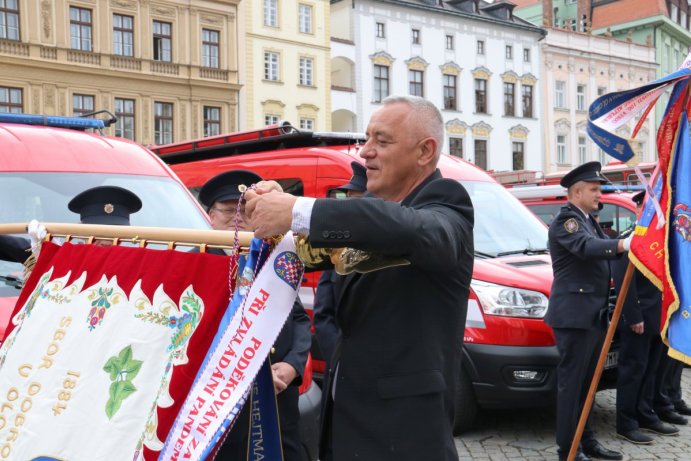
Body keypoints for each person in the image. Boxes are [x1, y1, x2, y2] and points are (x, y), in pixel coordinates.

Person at [243, 95, 475, 461]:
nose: (365, 152)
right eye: (366, 139)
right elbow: (312, 251)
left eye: (381, 141)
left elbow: (410, 230)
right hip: (350, 423)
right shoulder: (377, 221)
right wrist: (277, 210)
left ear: (424, 152)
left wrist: (299, 209)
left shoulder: (446, 204)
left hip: (403, 438)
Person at [197, 170, 311, 461]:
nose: (238, 219)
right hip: (221, 408)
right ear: (210, 216)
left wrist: (293, 365)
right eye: (227, 211)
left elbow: (297, 319)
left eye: (246, 210)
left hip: (277, 401)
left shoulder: (271, 261)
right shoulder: (197, 263)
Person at [546, 161, 629, 461]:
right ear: (577, 191)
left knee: (589, 384)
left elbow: (600, 243)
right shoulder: (567, 222)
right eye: (594, 189)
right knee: (573, 386)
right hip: (574, 316)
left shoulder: (587, 219)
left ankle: (587, 439)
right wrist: (622, 245)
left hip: (591, 313)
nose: (599, 195)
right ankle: (568, 448)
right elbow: (586, 247)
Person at [613, 191, 678, 445]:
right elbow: (623, 282)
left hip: (657, 316)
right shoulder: (632, 240)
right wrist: (633, 316)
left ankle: (645, 413)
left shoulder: (660, 240)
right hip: (639, 318)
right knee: (633, 370)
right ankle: (626, 422)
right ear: (641, 210)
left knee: (651, 370)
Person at [313, 161, 368, 371]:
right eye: (350, 199)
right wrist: (338, 360)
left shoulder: (391, 246)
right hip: (341, 368)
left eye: (359, 201)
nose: (352, 208)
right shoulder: (338, 248)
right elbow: (323, 314)